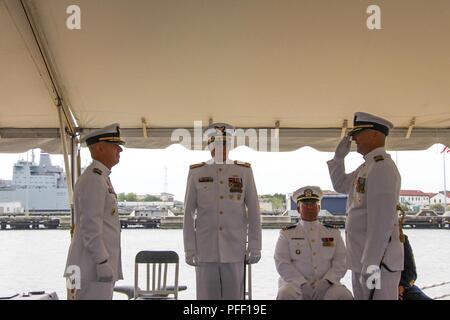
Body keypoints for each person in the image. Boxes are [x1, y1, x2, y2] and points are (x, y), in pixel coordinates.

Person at [327, 112, 404, 300]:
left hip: (378, 263)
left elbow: (381, 224)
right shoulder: (367, 167)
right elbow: (340, 185)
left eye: (359, 133)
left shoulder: (381, 167)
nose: (354, 139)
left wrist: (371, 265)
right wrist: (338, 159)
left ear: (375, 135)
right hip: (363, 261)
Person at [183, 122, 262, 300]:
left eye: (224, 144)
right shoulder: (196, 172)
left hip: (234, 247)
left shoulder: (243, 171)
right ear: (209, 145)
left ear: (230, 145)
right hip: (205, 248)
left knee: (234, 298)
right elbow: (188, 213)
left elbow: (254, 210)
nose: (220, 148)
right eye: (216, 144)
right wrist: (189, 248)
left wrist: (255, 246)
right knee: (206, 299)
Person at [64, 123, 125, 300]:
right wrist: (102, 262)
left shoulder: (101, 177)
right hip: (89, 269)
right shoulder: (94, 179)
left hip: (92, 268)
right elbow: (90, 226)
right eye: (115, 146)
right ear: (99, 148)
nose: (119, 150)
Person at [274, 186, 353, 300]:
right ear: (298, 209)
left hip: (326, 285)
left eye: (313, 204)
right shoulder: (286, 234)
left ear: (319, 208)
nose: (309, 208)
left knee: (344, 295)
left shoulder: (333, 233)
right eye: (305, 205)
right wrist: (302, 283)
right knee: (285, 294)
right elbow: (282, 263)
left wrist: (327, 281)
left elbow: (341, 261)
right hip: (295, 285)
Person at [399, 234, 432, 300]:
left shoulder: (402, 239)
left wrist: (403, 286)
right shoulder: (373, 240)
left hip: (402, 287)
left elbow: (411, 271)